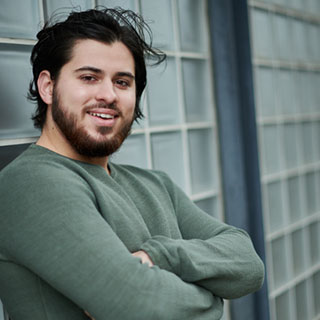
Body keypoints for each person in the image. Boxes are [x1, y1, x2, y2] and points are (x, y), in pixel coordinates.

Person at [0, 7, 264, 320]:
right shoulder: (29, 184)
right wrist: (214, 299)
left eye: (123, 82)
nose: (108, 95)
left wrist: (159, 256)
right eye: (89, 77)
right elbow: (140, 306)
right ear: (48, 86)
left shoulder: (155, 184)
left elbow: (248, 263)